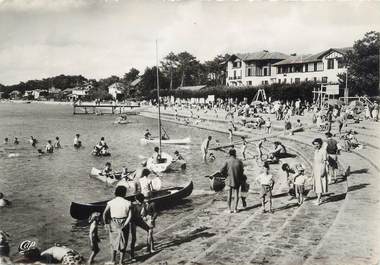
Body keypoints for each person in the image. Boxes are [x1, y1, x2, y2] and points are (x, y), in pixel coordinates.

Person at [103, 186, 132, 265]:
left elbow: (105, 214)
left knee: (113, 243)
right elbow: (130, 216)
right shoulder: (128, 203)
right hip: (124, 222)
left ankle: (112, 261)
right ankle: (121, 262)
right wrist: (125, 224)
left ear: (116, 192)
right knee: (123, 242)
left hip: (114, 223)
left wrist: (106, 224)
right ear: (124, 193)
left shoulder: (111, 202)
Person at [219, 148, 245, 213]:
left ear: (229, 154)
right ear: (235, 154)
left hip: (229, 179)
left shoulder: (227, 161)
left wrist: (225, 174)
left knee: (229, 194)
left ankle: (229, 209)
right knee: (236, 194)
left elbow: (221, 170)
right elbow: (242, 171)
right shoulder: (239, 161)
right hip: (237, 179)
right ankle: (235, 209)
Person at [312, 138, 328, 205]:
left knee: (320, 185)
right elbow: (315, 161)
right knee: (316, 184)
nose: (316, 145)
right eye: (315, 144)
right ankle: (318, 198)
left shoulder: (323, 151)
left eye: (317, 144)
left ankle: (318, 200)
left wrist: (323, 171)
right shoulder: (316, 151)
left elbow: (325, 162)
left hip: (321, 168)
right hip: (316, 168)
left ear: (320, 144)